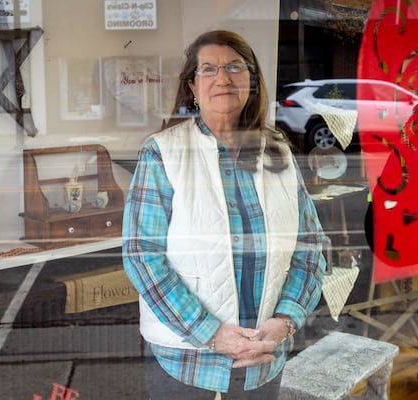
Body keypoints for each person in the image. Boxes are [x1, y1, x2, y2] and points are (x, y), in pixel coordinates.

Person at [122, 30, 326, 399]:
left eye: (235, 66)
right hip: (187, 360)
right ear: (192, 87)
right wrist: (211, 334)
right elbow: (142, 256)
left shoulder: (276, 150)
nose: (223, 78)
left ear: (251, 80)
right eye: (209, 69)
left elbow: (310, 246)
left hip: (264, 358)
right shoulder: (162, 153)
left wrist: (286, 321)